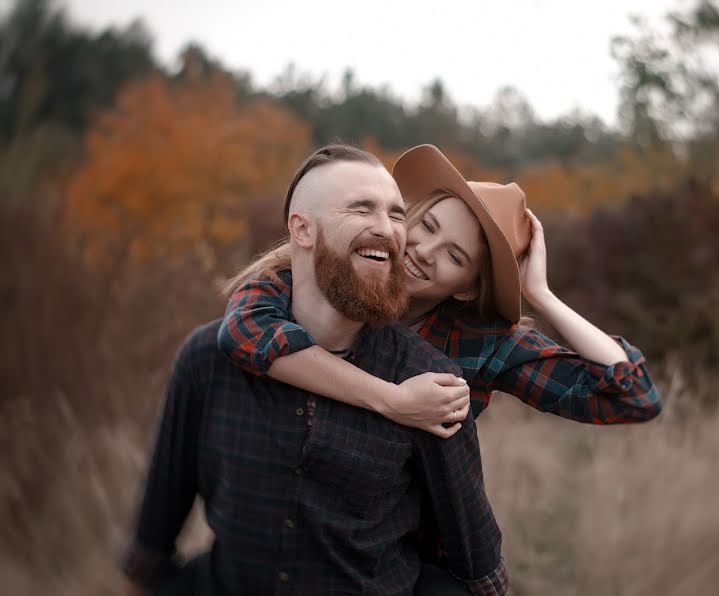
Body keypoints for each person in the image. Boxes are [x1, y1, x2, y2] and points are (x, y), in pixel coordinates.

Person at [122, 145, 508, 595]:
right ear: (302, 230)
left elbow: (480, 574)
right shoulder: (208, 361)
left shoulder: (432, 389)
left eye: (398, 214)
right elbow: (150, 549)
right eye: (362, 208)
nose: (386, 229)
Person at [218, 144, 661, 439]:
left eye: (454, 256)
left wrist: (541, 294)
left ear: (468, 290)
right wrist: (393, 401)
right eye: (425, 225)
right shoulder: (333, 272)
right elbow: (244, 328)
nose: (423, 251)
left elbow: (633, 397)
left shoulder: (483, 345)